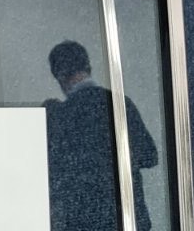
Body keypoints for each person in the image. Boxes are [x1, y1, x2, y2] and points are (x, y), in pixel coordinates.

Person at [45, 40, 158, 230]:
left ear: (59, 76)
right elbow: (149, 156)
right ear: (88, 68)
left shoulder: (61, 116)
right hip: (127, 219)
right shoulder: (119, 104)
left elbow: (53, 171)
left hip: (84, 221)